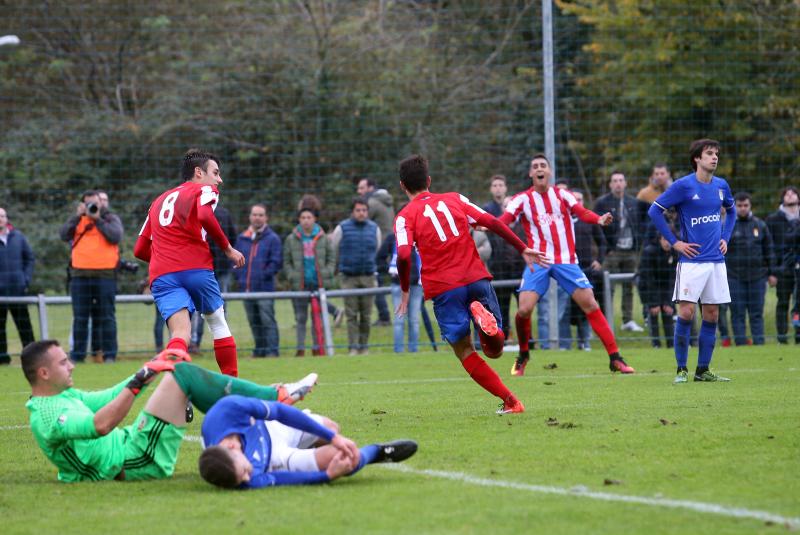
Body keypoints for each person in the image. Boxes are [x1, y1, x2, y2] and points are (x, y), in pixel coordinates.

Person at [21, 339, 318, 483]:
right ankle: (273, 399)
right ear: (44, 374)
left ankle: (268, 404)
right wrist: (142, 378)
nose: (71, 365)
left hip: (131, 448)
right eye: (63, 363)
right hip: (136, 461)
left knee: (179, 372)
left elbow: (107, 397)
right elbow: (101, 424)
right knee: (184, 375)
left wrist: (152, 366)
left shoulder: (64, 396)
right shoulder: (47, 417)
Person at [394, 154, 547, 414]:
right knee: (496, 350)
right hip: (476, 277)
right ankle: (489, 326)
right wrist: (522, 247)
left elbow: (405, 254)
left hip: (444, 288)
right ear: (429, 180)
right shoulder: (455, 198)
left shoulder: (404, 216)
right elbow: (491, 221)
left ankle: (511, 401)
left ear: (402, 186)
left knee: (465, 350)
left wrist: (406, 291)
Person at [500, 154, 635, 377]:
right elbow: (506, 218)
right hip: (540, 260)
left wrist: (598, 219)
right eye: (535, 167)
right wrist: (489, 225)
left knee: (590, 303)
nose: (539, 169)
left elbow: (581, 212)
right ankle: (524, 354)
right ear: (531, 174)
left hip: (566, 260)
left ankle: (615, 358)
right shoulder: (522, 199)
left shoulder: (563, 195)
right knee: (524, 309)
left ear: (549, 172)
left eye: (543, 165)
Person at [134, 149, 246, 376]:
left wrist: (164, 260)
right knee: (217, 323)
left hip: (163, 275)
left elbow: (139, 249)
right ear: (198, 172)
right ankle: (231, 392)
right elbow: (205, 216)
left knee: (179, 334)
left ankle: (175, 389)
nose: (219, 179)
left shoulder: (158, 201)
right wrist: (228, 249)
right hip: (195, 268)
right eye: (215, 173)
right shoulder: (204, 189)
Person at [648, 139, 735, 383]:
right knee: (686, 313)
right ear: (697, 158)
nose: (714, 158)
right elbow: (654, 211)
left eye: (716, 154)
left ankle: (703, 370)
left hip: (716, 262)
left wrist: (725, 237)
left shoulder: (721, 186)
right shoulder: (683, 186)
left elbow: (733, 211)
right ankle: (681, 370)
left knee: (712, 315)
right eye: (709, 154)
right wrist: (675, 242)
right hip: (691, 262)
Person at [198, 394, 417, 489]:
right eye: (243, 478)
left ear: (231, 447)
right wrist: (327, 475)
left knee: (331, 427)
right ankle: (377, 452)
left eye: (244, 472)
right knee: (343, 459)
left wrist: (334, 438)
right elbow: (279, 479)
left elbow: (280, 412)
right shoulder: (240, 480)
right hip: (276, 458)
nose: (248, 478)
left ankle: (317, 448)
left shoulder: (227, 410)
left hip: (273, 428)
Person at [60, 189, 123, 363]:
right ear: (82, 204)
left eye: (95, 202)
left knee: (107, 316)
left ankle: (110, 355)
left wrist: (98, 220)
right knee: (80, 317)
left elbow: (115, 236)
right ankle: (78, 356)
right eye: (89, 203)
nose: (93, 206)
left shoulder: (110, 218)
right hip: (80, 277)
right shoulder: (78, 220)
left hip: (105, 276)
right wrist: (77, 217)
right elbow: (63, 235)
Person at [593, 171, 646, 332]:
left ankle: (627, 320)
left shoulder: (633, 202)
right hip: (612, 251)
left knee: (629, 286)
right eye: (614, 180)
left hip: (630, 251)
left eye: (621, 180)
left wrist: (638, 245)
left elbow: (641, 224)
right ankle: (604, 320)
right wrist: (605, 248)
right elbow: (596, 227)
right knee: (607, 287)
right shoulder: (602, 202)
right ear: (610, 184)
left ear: (625, 183)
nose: (618, 183)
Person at [331, 199, 381, 355]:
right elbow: (335, 250)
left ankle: (364, 346)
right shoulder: (342, 228)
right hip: (349, 278)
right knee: (351, 315)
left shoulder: (374, 229)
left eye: (364, 210)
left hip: (368, 277)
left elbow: (377, 249)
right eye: (358, 210)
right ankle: (353, 347)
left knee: (366, 315)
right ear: (352, 212)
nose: (361, 213)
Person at [558, 189, 607, 351]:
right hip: (565, 268)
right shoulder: (560, 220)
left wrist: (599, 260)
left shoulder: (588, 221)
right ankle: (565, 344)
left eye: (580, 199)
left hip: (585, 269)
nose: (577, 202)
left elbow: (602, 242)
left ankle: (584, 342)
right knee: (564, 310)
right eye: (575, 199)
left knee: (586, 306)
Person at [283, 207, 336, 356]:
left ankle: (317, 347)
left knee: (317, 318)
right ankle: (300, 349)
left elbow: (332, 258)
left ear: (315, 219)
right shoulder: (291, 239)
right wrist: (292, 276)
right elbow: (286, 262)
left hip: (318, 284)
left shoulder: (323, 238)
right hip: (299, 285)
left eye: (309, 217)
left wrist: (328, 272)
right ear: (299, 220)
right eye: (303, 217)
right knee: (300, 318)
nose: (306, 220)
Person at [725, 192, 776, 346]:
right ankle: (741, 345)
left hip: (758, 277)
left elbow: (769, 250)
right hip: (734, 277)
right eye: (739, 205)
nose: (742, 208)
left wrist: (772, 273)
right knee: (737, 313)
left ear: (750, 206)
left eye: (745, 205)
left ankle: (759, 344)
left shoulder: (760, 225)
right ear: (735, 206)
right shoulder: (728, 225)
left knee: (756, 314)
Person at [189, 203, 238, 354]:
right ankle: (194, 342)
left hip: (220, 269)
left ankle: (222, 343)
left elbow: (232, 238)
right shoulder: (193, 213)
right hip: (200, 269)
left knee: (220, 307)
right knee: (200, 306)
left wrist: (225, 255)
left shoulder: (223, 214)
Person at [235, 204, 283, 357]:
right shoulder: (242, 238)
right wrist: (240, 277)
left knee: (267, 320)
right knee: (254, 321)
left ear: (266, 217)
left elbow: (276, 263)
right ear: (250, 216)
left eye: (261, 215)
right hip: (246, 289)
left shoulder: (273, 239)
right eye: (254, 214)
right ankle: (259, 351)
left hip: (264, 289)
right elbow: (235, 260)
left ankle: (272, 351)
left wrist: (262, 275)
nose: (257, 218)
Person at [356, 178, 395, 326]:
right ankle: (385, 315)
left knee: (375, 281)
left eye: (361, 188)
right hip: (387, 246)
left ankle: (384, 316)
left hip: (377, 247)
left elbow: (358, 220)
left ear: (371, 188)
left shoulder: (372, 203)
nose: (359, 192)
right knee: (380, 280)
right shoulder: (386, 201)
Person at [377, 231, 423, 353]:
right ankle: (399, 351)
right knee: (400, 320)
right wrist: (391, 269)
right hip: (398, 284)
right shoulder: (392, 237)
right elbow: (380, 258)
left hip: (416, 284)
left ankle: (413, 350)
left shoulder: (419, 237)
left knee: (414, 320)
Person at [0, 207, 35, 365]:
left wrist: (25, 279)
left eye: (2, 216)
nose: (0, 219)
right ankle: (2, 359)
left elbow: (29, 259)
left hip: (17, 291)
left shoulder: (18, 237)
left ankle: (32, 358)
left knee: (25, 327)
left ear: (7, 218)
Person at [638, 212, 678, 348]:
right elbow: (647, 279)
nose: (667, 243)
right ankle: (656, 345)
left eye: (670, 239)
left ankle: (671, 344)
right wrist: (653, 302)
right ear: (659, 238)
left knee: (668, 313)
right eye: (665, 239)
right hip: (649, 287)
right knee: (653, 314)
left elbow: (673, 279)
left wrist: (668, 302)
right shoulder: (649, 252)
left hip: (666, 287)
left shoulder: (675, 253)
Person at [766, 186, 800, 344]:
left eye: (793, 193)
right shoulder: (773, 220)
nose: (790, 195)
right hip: (783, 269)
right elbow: (769, 247)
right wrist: (773, 271)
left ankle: (798, 335)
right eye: (787, 193)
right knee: (783, 303)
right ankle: (782, 337)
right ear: (782, 198)